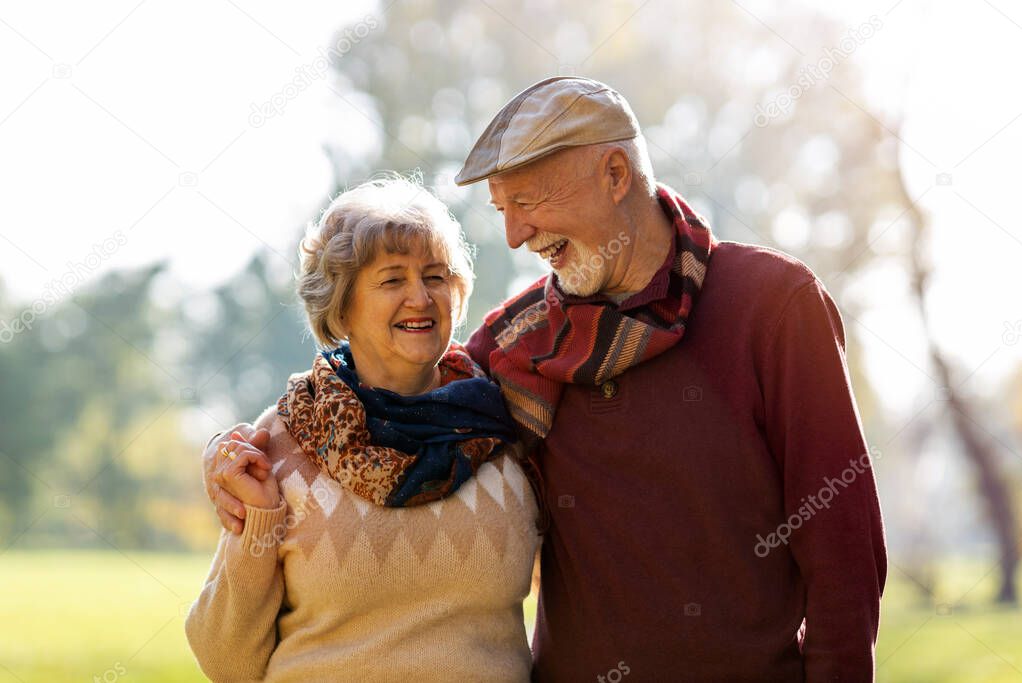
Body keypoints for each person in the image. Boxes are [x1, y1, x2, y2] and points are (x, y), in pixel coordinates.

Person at [205, 77, 887, 681]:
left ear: (616, 174)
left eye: (527, 200)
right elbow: (386, 395)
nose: (513, 234)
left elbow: (845, 554)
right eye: (501, 208)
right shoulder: (514, 346)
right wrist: (230, 454)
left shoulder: (772, 306)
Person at [186, 175, 540, 682]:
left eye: (435, 276)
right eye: (392, 279)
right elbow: (226, 662)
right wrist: (257, 524)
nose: (420, 297)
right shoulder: (287, 438)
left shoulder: (507, 426)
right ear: (341, 304)